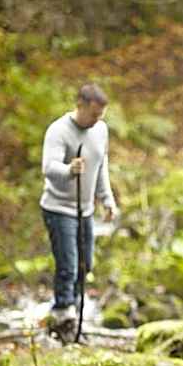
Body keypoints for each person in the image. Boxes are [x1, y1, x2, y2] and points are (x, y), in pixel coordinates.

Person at [40, 83, 118, 324]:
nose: (97, 120)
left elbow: (100, 166)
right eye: (93, 114)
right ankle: (62, 312)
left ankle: (72, 309)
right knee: (68, 266)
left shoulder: (100, 130)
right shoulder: (59, 130)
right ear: (80, 105)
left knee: (86, 265)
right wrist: (68, 170)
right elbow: (48, 167)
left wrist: (107, 199)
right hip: (58, 208)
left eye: (100, 115)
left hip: (85, 210)